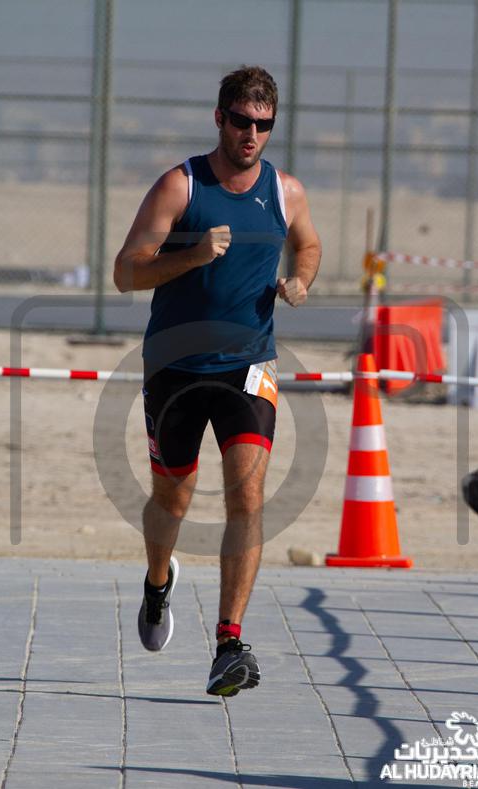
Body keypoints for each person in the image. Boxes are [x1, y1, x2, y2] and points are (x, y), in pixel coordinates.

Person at [114, 65, 321, 697]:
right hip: (175, 367)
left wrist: (300, 280)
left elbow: (309, 245)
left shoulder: (286, 190)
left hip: (249, 366)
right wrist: (193, 256)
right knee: (172, 500)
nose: (251, 135)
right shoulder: (180, 186)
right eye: (240, 121)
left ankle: (230, 642)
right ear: (219, 118)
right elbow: (126, 273)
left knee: (247, 498)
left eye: (264, 124)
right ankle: (157, 583)